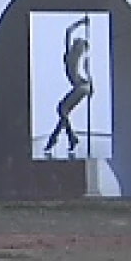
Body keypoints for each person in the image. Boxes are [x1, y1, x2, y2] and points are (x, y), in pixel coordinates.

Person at [43, 17, 93, 157]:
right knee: (63, 112)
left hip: (81, 87)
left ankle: (62, 138)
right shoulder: (73, 54)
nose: (75, 41)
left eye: (77, 41)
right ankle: (66, 138)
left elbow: (68, 31)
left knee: (62, 109)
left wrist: (81, 23)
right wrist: (82, 22)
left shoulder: (73, 55)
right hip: (83, 86)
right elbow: (68, 31)